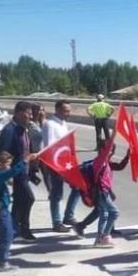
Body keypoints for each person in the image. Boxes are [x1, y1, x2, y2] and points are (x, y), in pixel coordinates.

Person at [0, 151, 37, 271]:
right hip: (1, 212)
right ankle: (2, 262)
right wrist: (26, 160)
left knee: (14, 230)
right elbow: (12, 172)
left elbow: (8, 176)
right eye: (8, 164)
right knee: (7, 236)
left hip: (4, 210)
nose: (9, 166)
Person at [0, 101, 38, 241]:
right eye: (29, 113)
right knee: (28, 198)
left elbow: (28, 149)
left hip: (24, 172)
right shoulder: (9, 130)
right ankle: (24, 229)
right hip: (16, 173)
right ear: (19, 113)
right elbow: (3, 153)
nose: (31, 116)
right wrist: (7, 174)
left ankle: (13, 229)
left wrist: (33, 167)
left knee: (19, 201)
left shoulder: (23, 128)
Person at [42, 100, 79, 233]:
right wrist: (57, 167)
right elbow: (50, 147)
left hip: (66, 163)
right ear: (57, 110)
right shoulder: (50, 125)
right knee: (56, 194)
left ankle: (68, 216)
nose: (68, 113)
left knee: (78, 187)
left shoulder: (63, 124)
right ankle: (56, 223)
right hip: (56, 165)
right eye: (65, 111)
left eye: (69, 111)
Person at [90, 133, 128, 247]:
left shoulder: (107, 162)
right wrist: (114, 133)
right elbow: (106, 151)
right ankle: (106, 236)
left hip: (102, 192)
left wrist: (127, 156)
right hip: (100, 192)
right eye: (109, 150)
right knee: (114, 212)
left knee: (104, 214)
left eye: (112, 150)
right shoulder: (100, 161)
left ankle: (99, 238)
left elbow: (120, 166)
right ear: (102, 150)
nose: (111, 152)